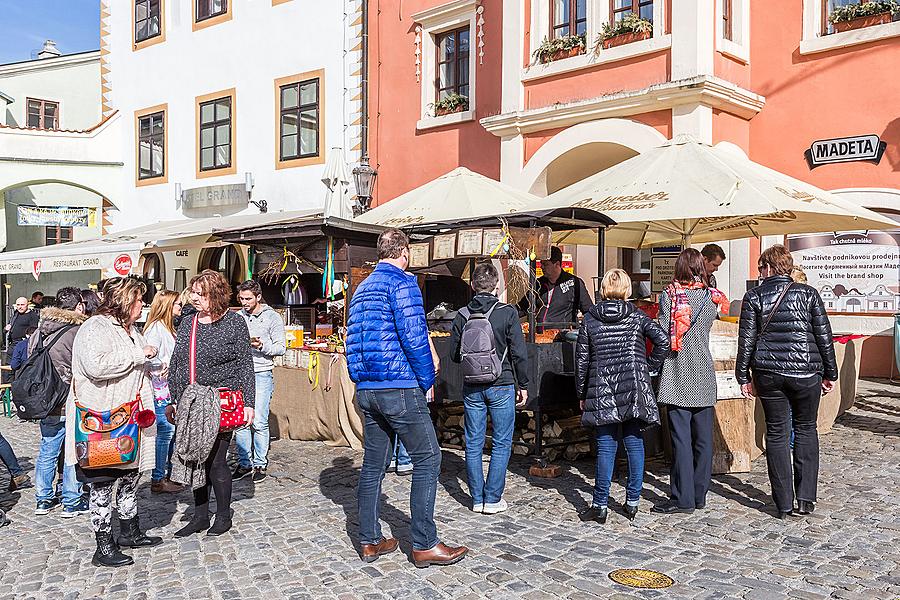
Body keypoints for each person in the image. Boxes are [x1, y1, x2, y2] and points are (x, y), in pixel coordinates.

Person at [346, 227, 467, 568]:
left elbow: (351, 341)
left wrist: (360, 380)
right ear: (405, 252)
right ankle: (425, 543)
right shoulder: (403, 284)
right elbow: (414, 338)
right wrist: (428, 378)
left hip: (368, 387)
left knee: (373, 465)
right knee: (429, 458)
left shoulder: (362, 289)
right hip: (398, 384)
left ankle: (369, 539)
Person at [65, 277, 162, 567]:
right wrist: (138, 354)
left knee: (131, 476)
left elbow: (136, 362)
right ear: (123, 301)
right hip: (104, 418)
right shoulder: (94, 327)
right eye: (137, 300)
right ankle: (103, 545)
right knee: (103, 483)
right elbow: (96, 366)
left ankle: (129, 531)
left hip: (133, 415)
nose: (142, 304)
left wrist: (154, 364)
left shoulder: (131, 329)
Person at [736, 245, 837, 519]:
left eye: (760, 268)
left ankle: (782, 502)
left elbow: (745, 341)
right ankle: (805, 499)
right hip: (805, 372)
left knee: (778, 435)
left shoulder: (754, 296)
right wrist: (831, 373)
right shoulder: (809, 294)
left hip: (769, 373)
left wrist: (743, 376)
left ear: (769, 267)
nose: (759, 273)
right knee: (806, 430)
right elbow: (824, 336)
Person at [576, 269, 669, 524]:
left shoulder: (590, 319)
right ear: (627, 290)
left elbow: (582, 360)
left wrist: (582, 393)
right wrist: (648, 367)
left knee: (606, 446)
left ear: (604, 289)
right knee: (634, 442)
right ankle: (632, 501)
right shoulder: (636, 316)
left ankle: (600, 504)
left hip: (601, 386)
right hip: (634, 385)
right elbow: (663, 340)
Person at [169, 270, 255, 538]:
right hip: (192, 402)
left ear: (215, 295)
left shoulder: (234, 323)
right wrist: (174, 399)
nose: (194, 298)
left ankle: (224, 515)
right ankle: (200, 515)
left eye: (200, 294)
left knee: (217, 461)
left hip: (220, 401)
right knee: (196, 461)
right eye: (193, 292)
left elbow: (245, 364)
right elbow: (178, 363)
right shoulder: (187, 323)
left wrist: (249, 402)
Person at [652, 249, 729, 515]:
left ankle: (682, 498)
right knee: (703, 440)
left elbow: (663, 333)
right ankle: (699, 494)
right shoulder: (710, 297)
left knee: (681, 439)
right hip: (703, 372)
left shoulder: (669, 296)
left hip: (678, 371)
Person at [449, 261, 529, 515]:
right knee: (502, 442)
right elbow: (519, 353)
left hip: (472, 385)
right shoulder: (507, 313)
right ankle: (493, 497)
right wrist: (523, 384)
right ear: (496, 286)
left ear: (472, 286)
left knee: (473, 443)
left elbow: (453, 355)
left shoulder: (462, 315)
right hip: (502, 382)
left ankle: (477, 497)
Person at [29, 287, 88, 517]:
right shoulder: (77, 331)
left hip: (45, 400)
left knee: (47, 449)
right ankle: (71, 500)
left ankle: (43, 499)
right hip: (69, 398)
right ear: (78, 306)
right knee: (72, 451)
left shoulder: (39, 331)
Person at [234, 280, 286, 483]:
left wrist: (262, 345)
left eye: (248, 298)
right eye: (241, 298)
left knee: (259, 421)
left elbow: (281, 347)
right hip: (239, 373)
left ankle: (259, 463)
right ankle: (244, 462)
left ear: (258, 297)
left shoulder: (272, 317)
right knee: (240, 421)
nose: (244, 302)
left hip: (261, 372)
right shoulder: (237, 317)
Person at [142, 290, 184, 494]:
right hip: (160, 389)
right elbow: (148, 357)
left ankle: (165, 474)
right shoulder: (156, 329)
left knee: (170, 432)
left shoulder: (168, 328)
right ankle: (158, 477)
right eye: (177, 304)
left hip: (169, 388)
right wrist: (163, 364)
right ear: (167, 305)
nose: (180, 308)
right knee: (165, 432)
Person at [525, 246, 593, 328]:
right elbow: (523, 305)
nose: (541, 267)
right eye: (541, 263)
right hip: (539, 335)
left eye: (545, 264)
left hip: (563, 337)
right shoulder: (538, 283)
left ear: (557, 264)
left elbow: (589, 311)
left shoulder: (575, 283)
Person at [5, 297, 39, 365]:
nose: (20, 307)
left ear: (27, 305)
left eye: (22, 305)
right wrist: (6, 329)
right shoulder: (16, 314)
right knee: (8, 369)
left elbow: (33, 331)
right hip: (12, 344)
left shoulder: (32, 315)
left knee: (20, 368)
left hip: (24, 345)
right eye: (18, 305)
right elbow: (9, 326)